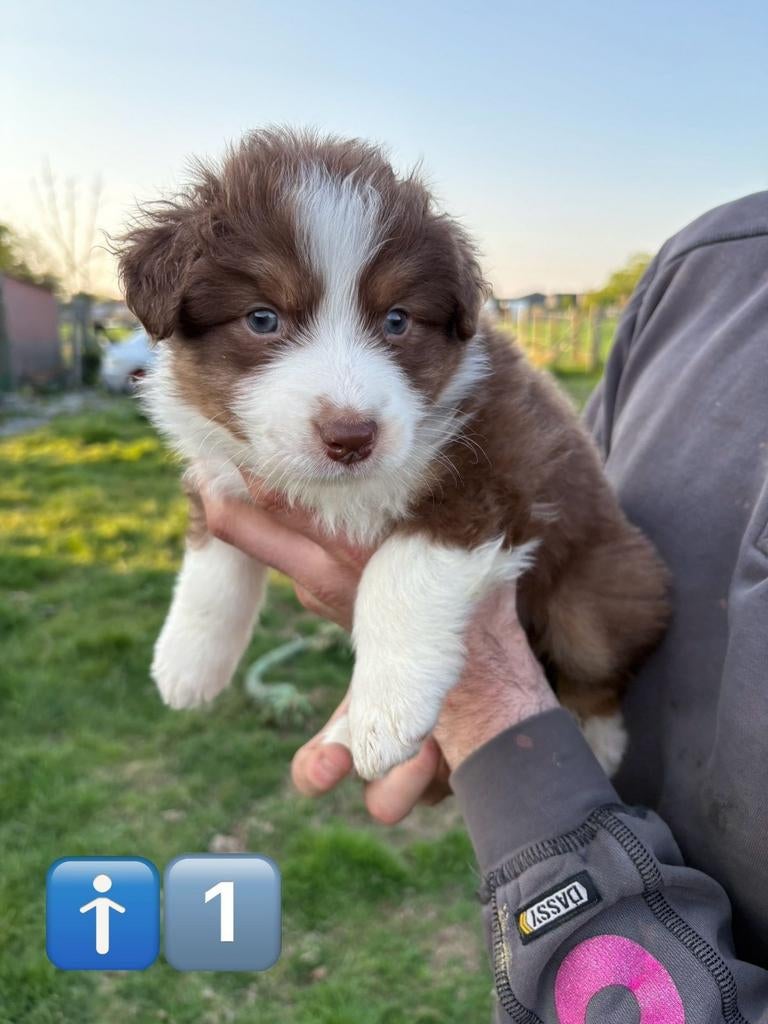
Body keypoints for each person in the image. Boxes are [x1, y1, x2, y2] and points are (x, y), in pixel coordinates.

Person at [203, 192, 768, 1021]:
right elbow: (561, 512)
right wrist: (487, 740)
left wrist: (481, 699)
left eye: (395, 323)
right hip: (586, 818)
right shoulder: (706, 266)